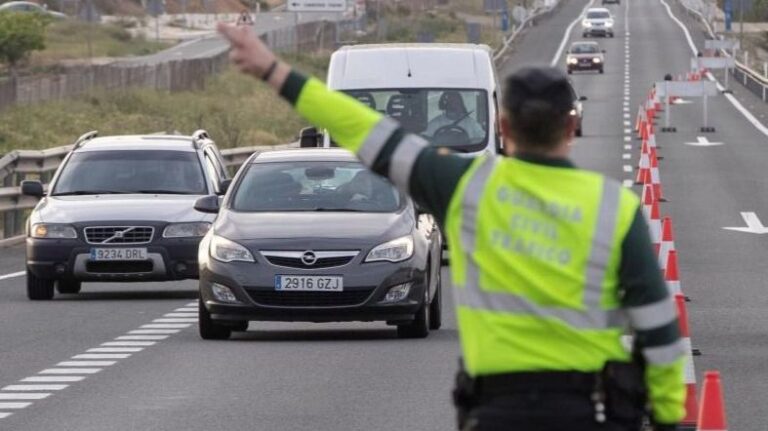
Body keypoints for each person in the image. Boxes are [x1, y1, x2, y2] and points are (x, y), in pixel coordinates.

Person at [217, 23, 686, 431]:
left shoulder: (466, 188)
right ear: (572, 126)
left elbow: (366, 130)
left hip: (498, 412)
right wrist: (668, 418)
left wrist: (272, 70)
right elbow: (658, 328)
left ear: (502, 126)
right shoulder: (616, 209)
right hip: (589, 412)